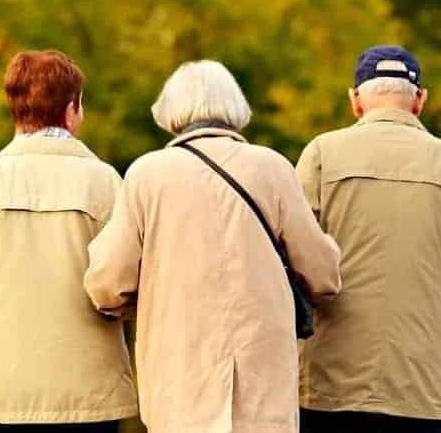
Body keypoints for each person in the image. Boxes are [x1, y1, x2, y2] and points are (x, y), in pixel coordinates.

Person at [84, 60, 341, 433]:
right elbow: (324, 275)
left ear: (170, 111)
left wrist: (144, 304)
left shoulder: (147, 174)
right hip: (262, 384)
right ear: (235, 108)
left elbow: (107, 283)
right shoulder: (273, 168)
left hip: (180, 380)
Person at [0, 50, 138, 433]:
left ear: (15, 110)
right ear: (71, 110)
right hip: (90, 398)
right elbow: (128, 282)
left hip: (5, 398)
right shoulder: (106, 182)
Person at [296, 45, 441, 433]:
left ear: (355, 102)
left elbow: (287, 264)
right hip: (420, 395)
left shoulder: (320, 157)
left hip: (326, 392)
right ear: (420, 101)